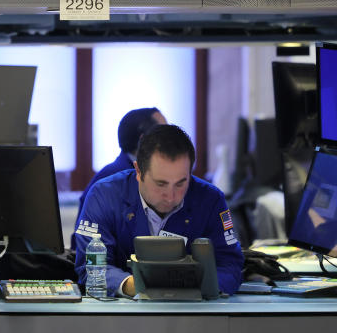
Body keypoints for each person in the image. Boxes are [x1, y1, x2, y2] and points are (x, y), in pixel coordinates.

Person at [74, 124, 243, 297]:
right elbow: (91, 268)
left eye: (180, 183)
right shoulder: (104, 195)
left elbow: (230, 264)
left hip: (194, 311)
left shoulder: (211, 200)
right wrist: (136, 285)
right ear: (139, 171)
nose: (170, 196)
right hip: (123, 312)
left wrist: (202, 289)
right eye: (160, 184)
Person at [71, 107, 166, 253]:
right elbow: (88, 250)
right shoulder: (109, 182)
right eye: (164, 133)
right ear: (144, 141)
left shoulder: (164, 176)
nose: (172, 140)